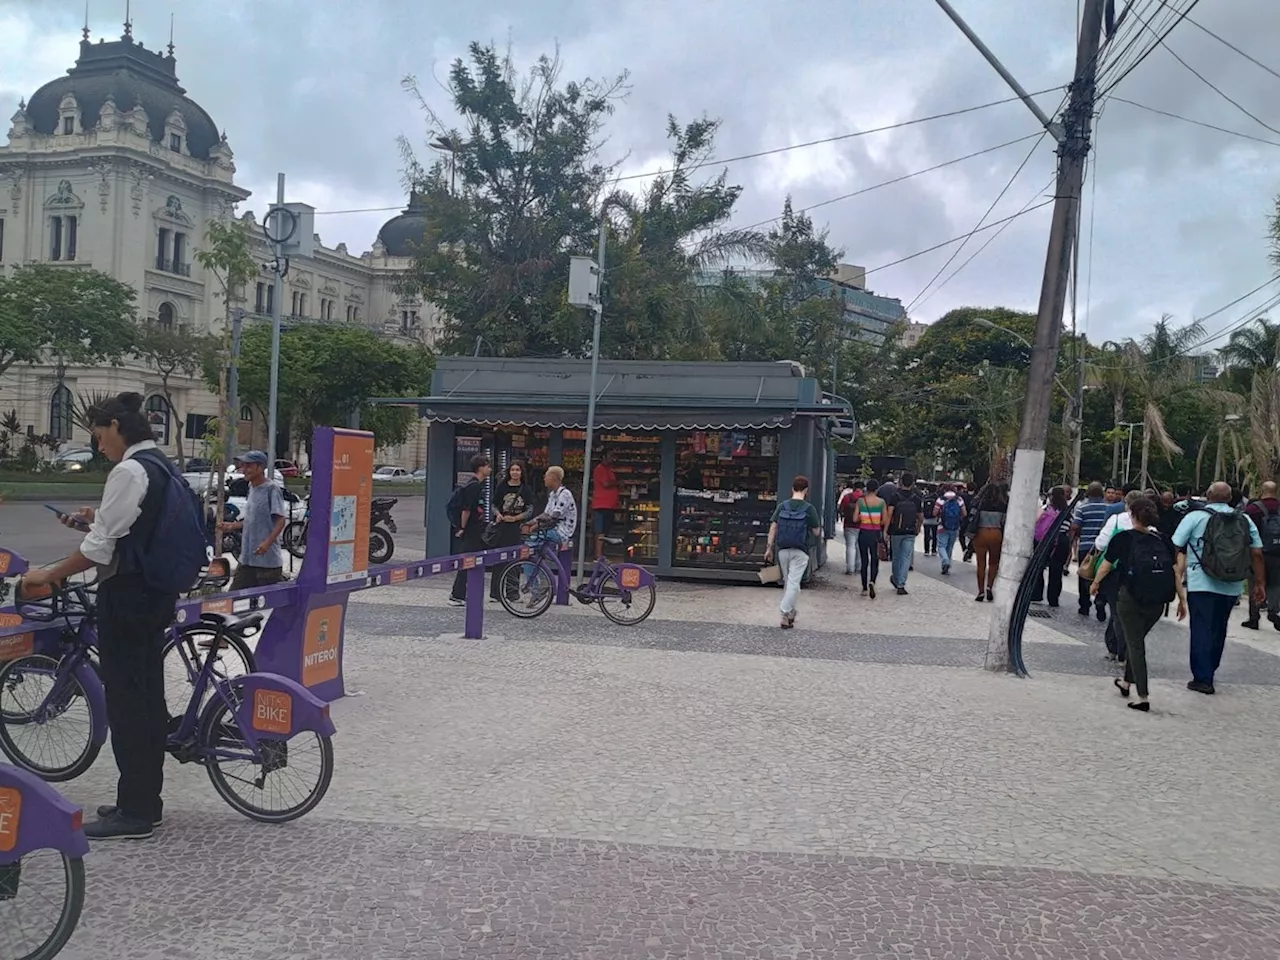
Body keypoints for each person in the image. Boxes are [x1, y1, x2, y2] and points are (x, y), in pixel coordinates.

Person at [22, 392, 185, 839]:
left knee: (128, 704)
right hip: (155, 595)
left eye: (98, 435)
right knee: (148, 698)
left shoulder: (130, 469)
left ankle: (135, 813)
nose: (98, 445)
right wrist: (95, 518)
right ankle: (144, 799)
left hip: (128, 597)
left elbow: (99, 549)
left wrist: (52, 573)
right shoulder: (161, 464)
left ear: (115, 426)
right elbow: (131, 527)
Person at [1091, 496, 1186, 711]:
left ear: (1132, 515)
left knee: (1135, 645)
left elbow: (1105, 565)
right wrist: (1182, 599)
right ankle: (1125, 682)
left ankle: (1143, 696)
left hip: (1130, 598)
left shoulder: (1123, 539)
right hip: (1157, 602)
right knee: (1137, 639)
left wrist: (1095, 583)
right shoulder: (1163, 540)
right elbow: (1174, 572)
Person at [1172, 481, 1266, 694]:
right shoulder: (1244, 519)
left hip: (1201, 581)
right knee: (1219, 628)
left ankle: (1203, 677)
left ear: (1208, 495)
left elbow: (1177, 542)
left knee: (1201, 628)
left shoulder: (1195, 517)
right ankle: (1210, 668)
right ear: (1230, 497)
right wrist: (1259, 583)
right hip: (1232, 584)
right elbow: (1257, 553)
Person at [218, 450, 287, 590]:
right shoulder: (251, 487)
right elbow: (252, 520)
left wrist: (266, 544)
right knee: (234, 599)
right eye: (243, 466)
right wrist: (232, 526)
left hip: (267, 563)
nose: (244, 470)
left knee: (267, 605)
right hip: (247, 559)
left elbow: (281, 521)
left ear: (260, 468)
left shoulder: (271, 489)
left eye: (248, 466)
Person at [763, 475, 822, 629]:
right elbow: (816, 532)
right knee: (794, 583)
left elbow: (773, 528)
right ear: (806, 490)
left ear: (792, 489)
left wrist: (769, 548)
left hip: (783, 550)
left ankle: (789, 614)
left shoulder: (782, 506)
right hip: (801, 551)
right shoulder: (809, 509)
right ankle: (785, 611)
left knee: (789, 583)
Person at [1094, 490, 1144, 662]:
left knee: (1117, 611)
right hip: (1138, 575)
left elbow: (1100, 544)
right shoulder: (1149, 525)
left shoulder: (1116, 520)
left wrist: (1096, 580)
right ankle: (1117, 646)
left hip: (1115, 572)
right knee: (1127, 611)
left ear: (1126, 503)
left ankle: (1120, 649)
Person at [448, 454, 493, 607]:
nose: (490, 469)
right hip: (471, 530)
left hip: (475, 529)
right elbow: (466, 510)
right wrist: (462, 528)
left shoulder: (477, 485)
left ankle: (463, 593)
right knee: (467, 561)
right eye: (487, 466)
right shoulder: (473, 486)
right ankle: (456, 594)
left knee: (472, 561)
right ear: (480, 468)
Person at [488, 461, 534, 603]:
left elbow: (530, 509)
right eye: (513, 469)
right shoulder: (502, 487)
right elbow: (494, 504)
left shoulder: (525, 489)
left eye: (518, 470)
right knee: (498, 560)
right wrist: (498, 515)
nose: (515, 472)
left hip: (516, 529)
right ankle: (495, 593)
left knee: (515, 560)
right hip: (502, 528)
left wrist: (515, 518)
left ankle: (512, 593)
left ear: (521, 472)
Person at [1071, 481, 1114, 621]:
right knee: (1101, 575)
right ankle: (1100, 600)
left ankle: (1084, 605)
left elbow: (1076, 526)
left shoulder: (1083, 507)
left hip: (1086, 547)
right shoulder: (1108, 508)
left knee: (1084, 575)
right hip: (1103, 547)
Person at [1242, 480, 1280, 631]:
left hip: (1258, 552)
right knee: (1276, 584)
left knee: (1255, 583)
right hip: (1277, 554)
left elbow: (1244, 532)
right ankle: (1273, 611)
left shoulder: (1252, 509)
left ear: (1261, 490)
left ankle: (1254, 617)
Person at [1031, 485, 1071, 607]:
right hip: (1062, 541)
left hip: (1045, 540)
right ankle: (1053, 599)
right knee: (1056, 571)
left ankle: (1037, 594)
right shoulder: (1068, 510)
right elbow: (1071, 527)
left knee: (1039, 568)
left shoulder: (1046, 508)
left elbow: (1036, 520)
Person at [885, 472, 923, 595]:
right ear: (912, 483)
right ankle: (901, 583)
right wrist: (918, 528)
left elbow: (889, 514)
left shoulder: (895, 497)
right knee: (906, 557)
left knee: (896, 556)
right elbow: (920, 516)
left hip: (896, 531)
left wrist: (885, 530)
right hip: (910, 531)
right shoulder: (916, 498)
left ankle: (895, 578)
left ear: (901, 482)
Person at [971, 483, 1008, 602]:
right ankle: (989, 587)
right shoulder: (1002, 504)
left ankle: (980, 591)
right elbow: (1004, 522)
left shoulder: (979, 503)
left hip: (981, 533)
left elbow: (971, 517)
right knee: (993, 563)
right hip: (996, 533)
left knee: (980, 564)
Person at [852, 479, 887, 598]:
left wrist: (863, 516)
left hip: (863, 532)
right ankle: (872, 581)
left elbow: (855, 519)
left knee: (864, 560)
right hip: (876, 532)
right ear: (877, 489)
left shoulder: (861, 501)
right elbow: (884, 520)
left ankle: (864, 587)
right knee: (874, 559)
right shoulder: (881, 502)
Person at [591, 448, 620, 559]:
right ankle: (598, 555)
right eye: (610, 455)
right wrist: (618, 483)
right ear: (604, 457)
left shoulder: (609, 470)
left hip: (609, 505)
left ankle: (601, 553)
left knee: (605, 530)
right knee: (600, 530)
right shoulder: (600, 469)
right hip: (601, 505)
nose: (613, 458)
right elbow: (606, 484)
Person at [934, 486, 966, 576]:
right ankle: (947, 565)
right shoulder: (959, 499)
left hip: (942, 526)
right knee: (950, 546)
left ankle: (945, 561)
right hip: (955, 526)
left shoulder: (941, 499)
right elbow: (964, 513)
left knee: (941, 546)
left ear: (944, 490)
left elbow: (934, 512)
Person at [838, 481, 864, 576]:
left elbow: (841, 509)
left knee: (850, 546)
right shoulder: (864, 498)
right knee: (859, 546)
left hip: (849, 525)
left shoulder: (847, 497)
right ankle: (859, 566)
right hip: (862, 525)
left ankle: (850, 568)